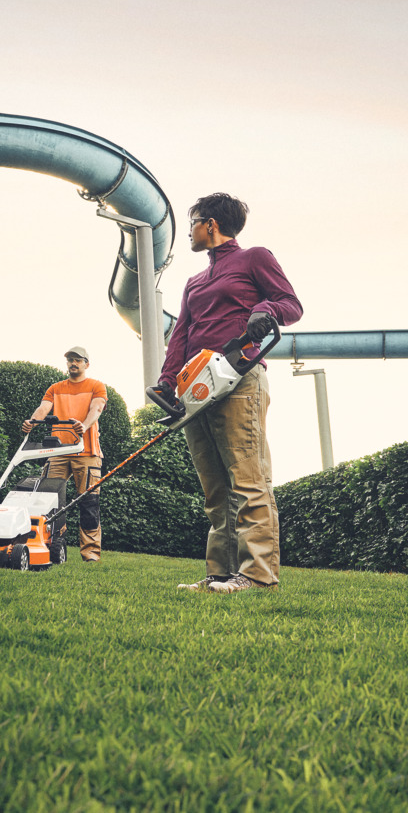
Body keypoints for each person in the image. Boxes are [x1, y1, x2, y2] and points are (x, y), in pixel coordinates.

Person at [151, 193, 302, 594]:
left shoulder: (254, 258)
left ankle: (257, 576)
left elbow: (290, 304)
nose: (190, 233)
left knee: (248, 481)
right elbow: (180, 336)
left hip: (240, 380)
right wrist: (167, 383)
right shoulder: (194, 282)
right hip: (196, 389)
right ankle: (221, 575)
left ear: (211, 224)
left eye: (193, 224)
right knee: (216, 488)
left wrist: (266, 310)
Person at [21, 346, 109, 561]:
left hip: (87, 451)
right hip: (58, 451)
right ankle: (45, 546)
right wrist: (32, 422)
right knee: (46, 500)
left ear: (86, 364)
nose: (73, 363)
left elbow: (96, 410)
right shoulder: (56, 388)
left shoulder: (97, 386)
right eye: (70, 360)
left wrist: (84, 426)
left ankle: (91, 553)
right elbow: (43, 408)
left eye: (78, 360)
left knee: (89, 502)